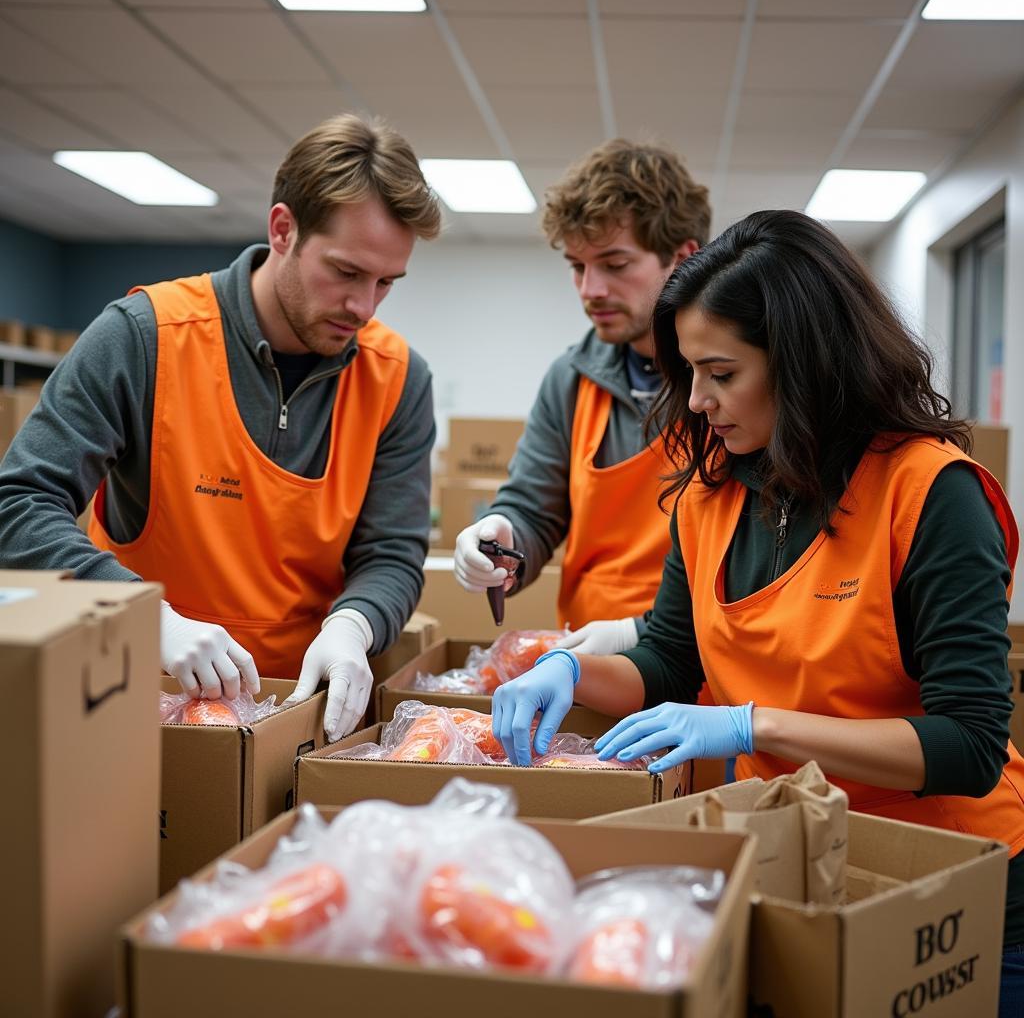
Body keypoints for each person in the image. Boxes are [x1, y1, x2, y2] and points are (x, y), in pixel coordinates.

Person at [491, 209, 1024, 1013]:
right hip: (796, 858)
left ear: (805, 364)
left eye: (723, 373)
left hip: (948, 882)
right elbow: (667, 662)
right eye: (690, 374)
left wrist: (752, 726)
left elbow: (971, 743)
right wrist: (568, 669)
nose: (699, 402)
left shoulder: (928, 492)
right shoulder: (710, 496)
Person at [0, 114, 441, 742]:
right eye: (345, 273)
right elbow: (18, 503)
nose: (364, 308)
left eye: (386, 283)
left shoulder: (399, 378)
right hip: (135, 699)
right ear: (283, 229)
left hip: (302, 712)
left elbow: (392, 552)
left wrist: (357, 625)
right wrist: (144, 616)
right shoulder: (143, 336)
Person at [452, 139, 709, 657]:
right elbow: (534, 507)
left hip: (707, 662)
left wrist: (645, 629)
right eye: (577, 266)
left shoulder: (733, 381)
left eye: (614, 264)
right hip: (591, 660)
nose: (590, 289)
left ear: (683, 258)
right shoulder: (571, 379)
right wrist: (503, 535)